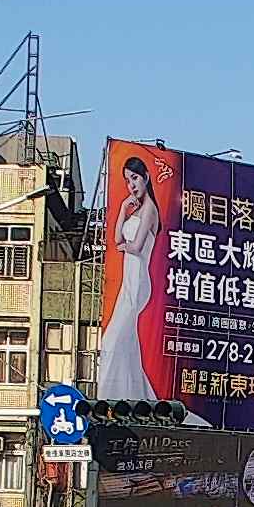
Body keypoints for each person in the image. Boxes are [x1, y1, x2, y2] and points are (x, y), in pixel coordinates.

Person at [97, 155, 164, 402]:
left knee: (113, 340)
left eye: (134, 178)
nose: (131, 185)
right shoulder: (135, 209)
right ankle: (132, 398)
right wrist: (123, 209)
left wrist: (126, 246)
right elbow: (116, 239)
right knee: (124, 344)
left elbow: (135, 246)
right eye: (127, 180)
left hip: (138, 282)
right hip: (129, 280)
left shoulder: (150, 210)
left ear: (146, 176)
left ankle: (112, 398)